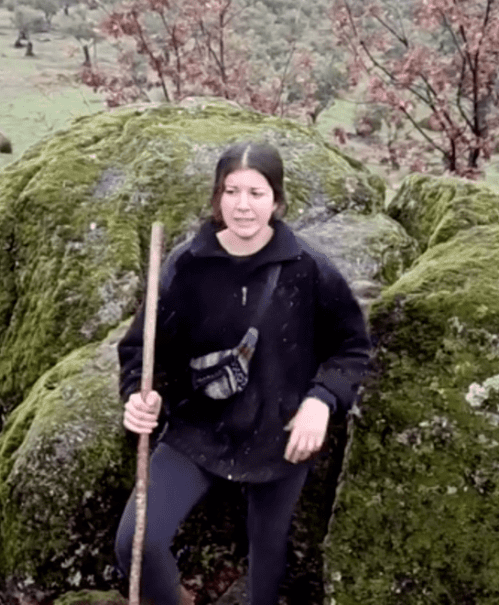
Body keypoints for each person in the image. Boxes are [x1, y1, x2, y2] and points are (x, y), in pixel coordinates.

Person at [114, 142, 371, 605]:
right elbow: (142, 349)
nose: (242, 204)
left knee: (268, 572)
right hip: (199, 431)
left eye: (256, 192)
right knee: (137, 544)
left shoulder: (308, 268)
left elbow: (352, 346)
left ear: (277, 200)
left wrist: (322, 400)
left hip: (281, 435)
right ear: (217, 198)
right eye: (230, 191)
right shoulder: (186, 265)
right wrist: (140, 395)